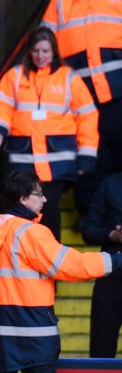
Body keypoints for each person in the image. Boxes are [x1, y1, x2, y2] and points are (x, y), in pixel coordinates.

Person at [0, 169, 122, 373]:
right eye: (38, 194)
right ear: (22, 198)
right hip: (32, 330)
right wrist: (115, 259)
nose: (44, 200)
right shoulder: (31, 233)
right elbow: (72, 266)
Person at [0, 26, 99, 241]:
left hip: (58, 163)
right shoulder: (15, 76)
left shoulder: (69, 78)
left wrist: (87, 155)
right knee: (20, 214)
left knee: (50, 213)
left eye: (45, 51)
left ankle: (51, 266)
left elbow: (87, 116)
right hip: (23, 159)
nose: (40, 56)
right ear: (29, 52)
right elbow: (1, 105)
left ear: (54, 52)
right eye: (36, 51)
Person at [42, 0, 122, 215]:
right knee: (91, 162)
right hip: (81, 99)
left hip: (117, 91)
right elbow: (44, 43)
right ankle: (94, 222)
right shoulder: (59, 3)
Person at [79, 172, 122, 358]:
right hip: (112, 273)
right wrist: (110, 235)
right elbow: (88, 231)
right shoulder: (109, 184)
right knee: (101, 348)